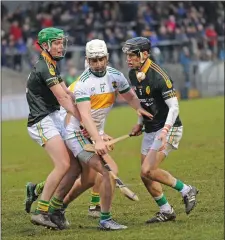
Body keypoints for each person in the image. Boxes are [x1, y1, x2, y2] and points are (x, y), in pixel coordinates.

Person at [25, 39, 153, 230]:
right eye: (93, 60)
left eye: (101, 59)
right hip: (77, 135)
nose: (98, 64)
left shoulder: (116, 76)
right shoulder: (83, 83)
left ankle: (56, 208)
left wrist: (139, 111)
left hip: (91, 133)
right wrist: (98, 139)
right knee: (108, 171)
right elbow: (84, 115)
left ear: (107, 58)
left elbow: (130, 96)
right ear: (87, 60)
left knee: (88, 179)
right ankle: (104, 218)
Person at [122, 37, 199, 223]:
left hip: (169, 128)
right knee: (144, 174)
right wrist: (139, 123)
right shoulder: (133, 73)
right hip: (150, 128)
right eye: (127, 55)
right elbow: (143, 103)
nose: (128, 59)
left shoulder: (159, 76)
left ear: (145, 54)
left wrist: (165, 131)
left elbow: (174, 107)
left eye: (132, 55)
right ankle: (166, 210)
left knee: (148, 169)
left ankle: (187, 190)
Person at [26, 27, 82, 229]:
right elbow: (63, 98)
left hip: (53, 116)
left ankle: (54, 208)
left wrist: (84, 98)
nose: (60, 46)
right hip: (41, 120)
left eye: (61, 42)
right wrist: (83, 119)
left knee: (76, 165)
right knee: (63, 164)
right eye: (56, 43)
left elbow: (68, 92)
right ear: (45, 45)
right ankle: (41, 212)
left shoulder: (51, 64)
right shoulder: (44, 67)